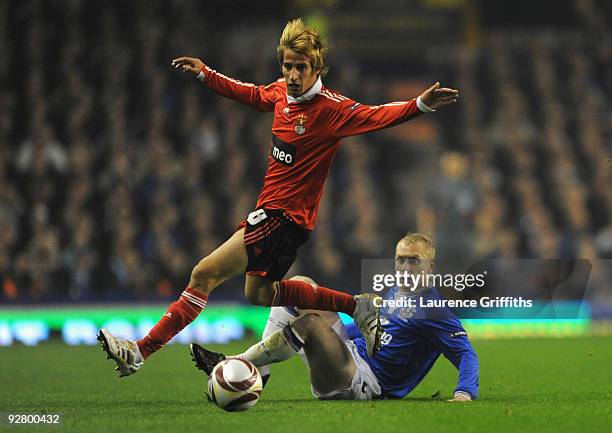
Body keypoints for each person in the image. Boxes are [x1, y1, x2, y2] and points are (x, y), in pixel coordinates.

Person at [98, 18, 460, 377]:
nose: (292, 74)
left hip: (280, 217)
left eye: (301, 67)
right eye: (287, 66)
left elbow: (377, 115)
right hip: (279, 219)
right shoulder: (281, 94)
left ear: (317, 67)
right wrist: (206, 74)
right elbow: (252, 94)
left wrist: (419, 105)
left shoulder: (331, 109)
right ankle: (357, 305)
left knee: (202, 274)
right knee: (259, 295)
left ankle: (139, 351)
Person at [192, 233, 479, 401]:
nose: (404, 267)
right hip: (352, 356)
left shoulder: (435, 310)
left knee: (312, 325)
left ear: (430, 266)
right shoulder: (395, 291)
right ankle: (262, 371)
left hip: (366, 383)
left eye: (413, 261)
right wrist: (342, 336)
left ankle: (236, 362)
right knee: (301, 287)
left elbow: (466, 353)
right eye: (400, 259)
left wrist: (464, 393)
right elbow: (363, 331)